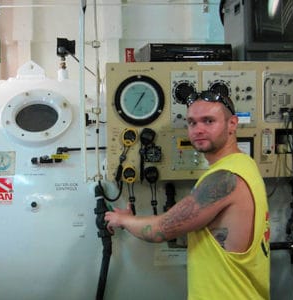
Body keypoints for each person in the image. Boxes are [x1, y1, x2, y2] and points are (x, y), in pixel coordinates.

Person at [105, 90, 270, 300]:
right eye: (192, 123)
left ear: (232, 124)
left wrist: (123, 219)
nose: (198, 129)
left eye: (208, 121)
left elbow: (160, 230)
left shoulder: (224, 178)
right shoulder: (245, 164)